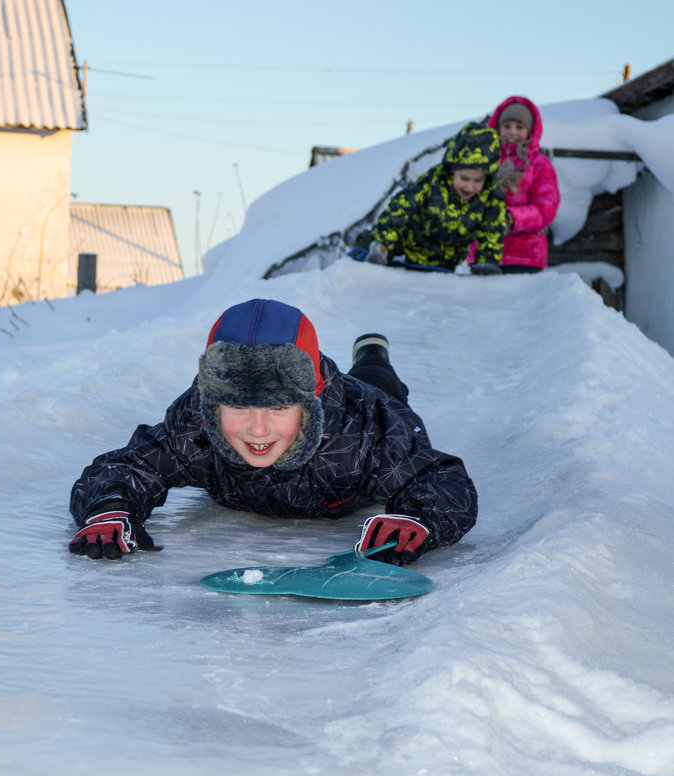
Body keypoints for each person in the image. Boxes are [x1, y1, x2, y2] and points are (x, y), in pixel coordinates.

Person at [69, 298, 477, 566]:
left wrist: (417, 516)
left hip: (371, 398)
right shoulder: (196, 426)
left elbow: (439, 476)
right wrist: (108, 507)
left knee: (379, 381)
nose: (257, 429)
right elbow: (129, 467)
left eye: (279, 406)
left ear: (310, 401)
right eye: (238, 407)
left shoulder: (368, 430)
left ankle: (373, 353)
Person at [358, 122, 507, 275]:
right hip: (409, 242)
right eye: (464, 178)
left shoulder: (491, 198)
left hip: (445, 258)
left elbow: (493, 229)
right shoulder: (435, 181)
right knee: (376, 240)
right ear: (452, 171)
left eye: (477, 181)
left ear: (487, 179)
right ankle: (369, 247)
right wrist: (383, 243)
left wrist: (487, 260)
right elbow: (402, 205)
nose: (469, 186)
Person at [474, 96, 560, 273]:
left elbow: (546, 208)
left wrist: (512, 218)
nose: (512, 132)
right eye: (507, 126)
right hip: (483, 255)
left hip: (524, 257)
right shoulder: (485, 161)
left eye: (519, 127)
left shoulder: (539, 165)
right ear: (498, 129)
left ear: (529, 131)